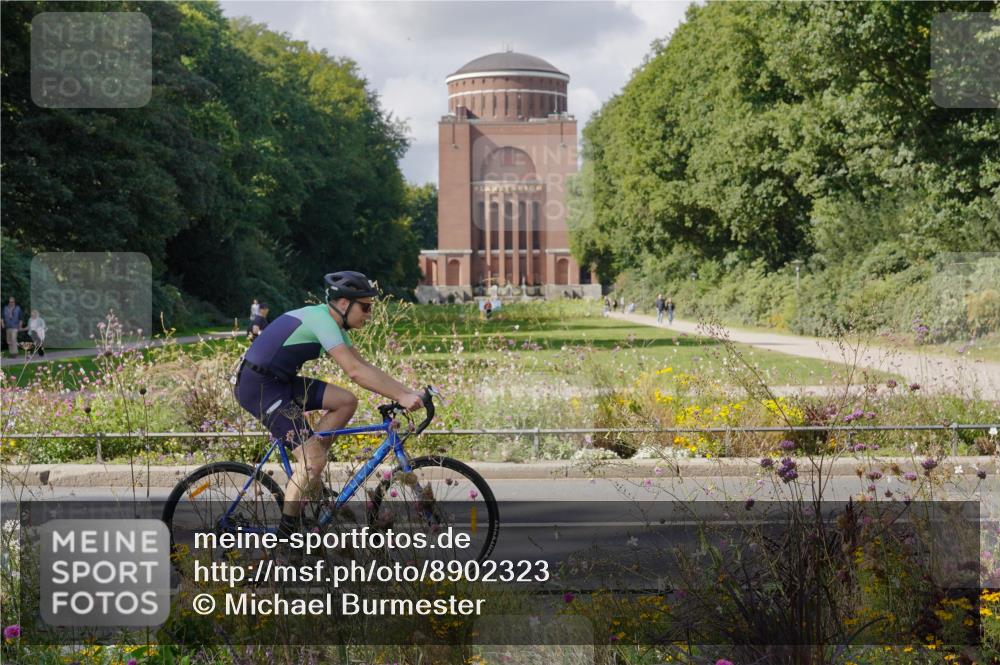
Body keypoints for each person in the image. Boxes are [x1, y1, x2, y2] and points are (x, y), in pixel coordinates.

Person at [233, 271, 424, 542]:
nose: (369, 314)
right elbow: (355, 372)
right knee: (313, 460)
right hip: (259, 387)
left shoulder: (331, 322)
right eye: (366, 307)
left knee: (346, 401)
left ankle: (310, 481)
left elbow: (366, 367)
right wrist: (403, 397)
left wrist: (406, 393)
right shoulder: (322, 320)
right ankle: (288, 543)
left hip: (279, 382)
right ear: (344, 304)